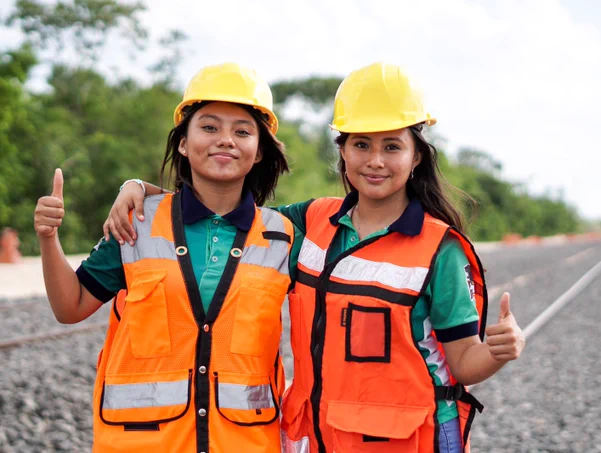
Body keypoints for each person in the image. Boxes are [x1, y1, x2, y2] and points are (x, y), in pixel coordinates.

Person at [103, 62, 526, 453]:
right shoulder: (309, 222)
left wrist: (498, 351)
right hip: (318, 438)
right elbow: (223, 208)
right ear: (343, 151)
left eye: (392, 147)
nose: (375, 161)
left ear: (416, 156)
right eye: (361, 144)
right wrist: (140, 187)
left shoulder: (439, 250)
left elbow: (464, 362)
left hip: (412, 440)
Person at [33, 63, 295, 453]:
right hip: (145, 442)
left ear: (259, 151)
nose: (225, 140)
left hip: (245, 442)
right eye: (209, 127)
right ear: (184, 144)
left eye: (242, 131)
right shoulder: (137, 221)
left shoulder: (284, 235)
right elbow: (70, 306)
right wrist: (48, 238)